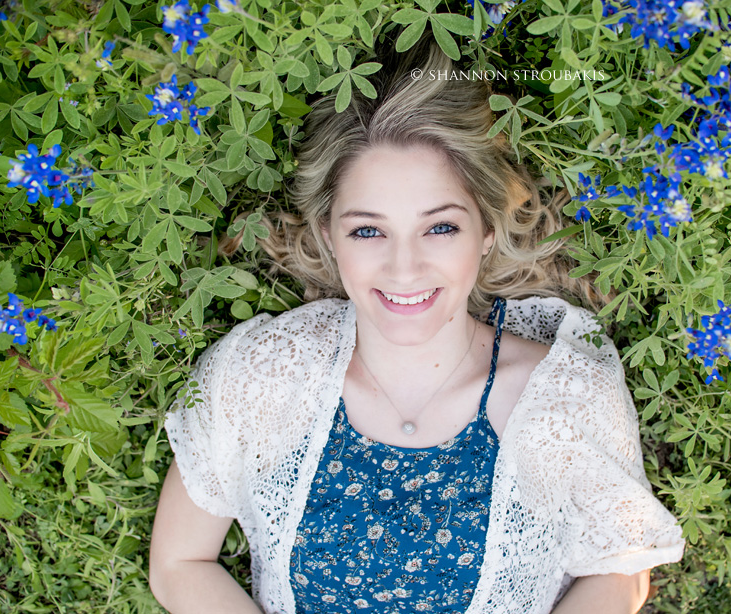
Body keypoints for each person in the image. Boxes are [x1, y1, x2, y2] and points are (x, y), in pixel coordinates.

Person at [149, 33, 685, 614]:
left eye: (440, 228)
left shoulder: (562, 398)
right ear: (330, 236)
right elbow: (180, 562)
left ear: (486, 231)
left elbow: (620, 572)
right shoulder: (266, 375)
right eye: (369, 230)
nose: (404, 269)